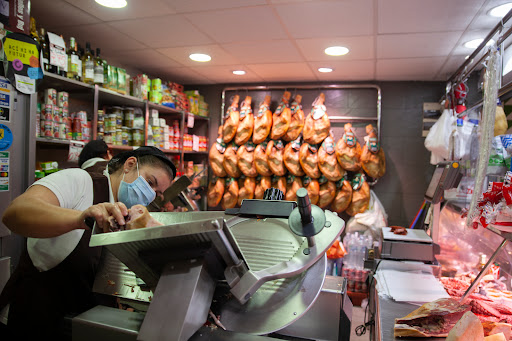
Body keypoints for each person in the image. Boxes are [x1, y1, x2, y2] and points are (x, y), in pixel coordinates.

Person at [0, 146, 176, 340]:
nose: (150, 195)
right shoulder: (80, 181)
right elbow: (15, 213)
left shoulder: (126, 213)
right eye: (150, 183)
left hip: (83, 326)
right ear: (130, 164)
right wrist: (81, 218)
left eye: (156, 193)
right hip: (38, 320)